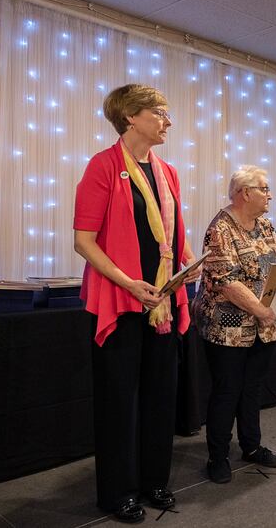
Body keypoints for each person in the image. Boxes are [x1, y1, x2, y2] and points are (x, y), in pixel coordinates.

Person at [73, 84, 200, 523]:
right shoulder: (102, 166)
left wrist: (186, 261)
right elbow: (84, 242)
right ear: (131, 116)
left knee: (160, 398)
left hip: (162, 301)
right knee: (118, 403)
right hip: (122, 302)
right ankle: (117, 492)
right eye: (160, 113)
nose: (168, 121)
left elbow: (169, 235)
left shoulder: (168, 171)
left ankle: (153, 482)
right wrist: (129, 282)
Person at [193, 165, 276, 484]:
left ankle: (251, 446)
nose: (269, 195)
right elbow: (225, 281)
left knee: (252, 388)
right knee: (227, 390)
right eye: (264, 189)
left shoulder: (266, 225)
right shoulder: (220, 228)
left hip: (263, 324)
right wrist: (260, 309)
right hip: (227, 325)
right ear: (244, 193)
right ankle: (218, 456)